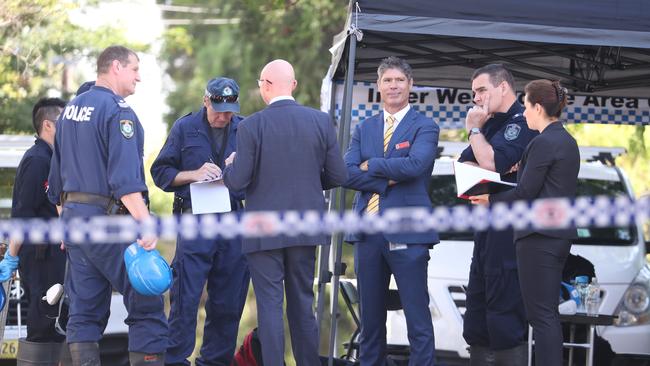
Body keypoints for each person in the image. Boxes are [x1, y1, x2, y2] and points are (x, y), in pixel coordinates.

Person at [47, 45, 168, 366]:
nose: (139, 77)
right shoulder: (118, 112)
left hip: (75, 226)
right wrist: (145, 223)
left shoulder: (70, 111)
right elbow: (125, 181)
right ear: (115, 67)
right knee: (147, 303)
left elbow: (55, 183)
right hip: (110, 225)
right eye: (134, 69)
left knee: (84, 312)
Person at [222, 59, 347, 366]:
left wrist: (230, 166)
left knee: (269, 306)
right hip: (306, 227)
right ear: (293, 85)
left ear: (265, 86)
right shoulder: (320, 121)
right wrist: (308, 184)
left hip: (263, 230)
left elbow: (238, 181)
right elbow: (339, 175)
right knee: (303, 305)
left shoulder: (250, 126)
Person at [470, 80, 579, 366]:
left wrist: (488, 200)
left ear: (538, 107)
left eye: (528, 106)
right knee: (547, 314)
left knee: (540, 316)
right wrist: (523, 170)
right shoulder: (566, 140)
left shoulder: (542, 142)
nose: (525, 113)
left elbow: (525, 193)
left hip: (538, 236)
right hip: (557, 235)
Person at [342, 56, 439, 366]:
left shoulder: (425, 125)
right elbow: (346, 172)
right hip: (367, 234)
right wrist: (387, 179)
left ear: (410, 85)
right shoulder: (365, 127)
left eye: (399, 80)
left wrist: (373, 166)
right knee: (370, 321)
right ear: (378, 87)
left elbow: (415, 166)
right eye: (387, 80)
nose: (393, 85)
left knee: (417, 318)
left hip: (408, 233)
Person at [150, 77, 249, 366]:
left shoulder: (245, 129)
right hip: (194, 221)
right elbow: (161, 173)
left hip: (233, 221)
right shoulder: (185, 127)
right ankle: (176, 360)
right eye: (218, 109)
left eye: (230, 110)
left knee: (228, 301)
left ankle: (215, 361)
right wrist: (193, 174)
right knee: (185, 298)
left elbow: (258, 177)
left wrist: (237, 168)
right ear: (206, 101)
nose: (224, 116)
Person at [458, 64, 537, 365]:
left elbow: (490, 163)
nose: (476, 98)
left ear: (503, 87)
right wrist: (488, 156)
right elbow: (465, 166)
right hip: (484, 231)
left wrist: (475, 132)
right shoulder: (489, 123)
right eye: (474, 91)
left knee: (504, 319)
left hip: (508, 233)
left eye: (481, 90)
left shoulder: (521, 122)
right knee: (477, 317)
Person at [0, 97, 67, 361]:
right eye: (63, 120)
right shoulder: (38, 160)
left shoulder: (54, 159)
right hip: (40, 258)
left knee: (54, 325)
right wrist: (12, 256)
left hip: (54, 257)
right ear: (48, 125)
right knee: (42, 324)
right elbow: (23, 215)